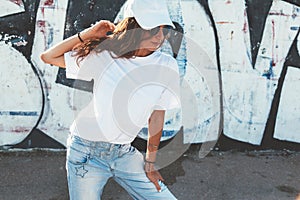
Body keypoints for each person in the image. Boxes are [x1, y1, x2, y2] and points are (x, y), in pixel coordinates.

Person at [40, 0, 180, 199]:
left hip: (124, 154)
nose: (159, 37)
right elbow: (49, 57)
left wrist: (150, 163)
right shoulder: (105, 55)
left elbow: (157, 115)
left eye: (164, 30)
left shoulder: (166, 66)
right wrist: (87, 34)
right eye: (152, 29)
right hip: (86, 153)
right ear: (135, 28)